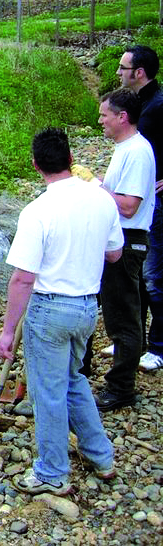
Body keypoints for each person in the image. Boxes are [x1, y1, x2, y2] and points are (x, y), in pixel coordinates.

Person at [0, 128, 122, 496]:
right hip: (86, 306)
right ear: (71, 160)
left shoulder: (38, 210)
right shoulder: (101, 200)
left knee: (48, 391)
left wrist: (7, 331)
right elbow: (114, 253)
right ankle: (101, 456)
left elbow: (22, 279)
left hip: (51, 308)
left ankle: (52, 472)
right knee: (72, 380)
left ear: (36, 165)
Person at [92, 89, 156, 411]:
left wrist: (99, 189)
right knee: (112, 309)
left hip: (128, 241)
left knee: (123, 318)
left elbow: (129, 206)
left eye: (105, 115)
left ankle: (121, 388)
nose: (100, 120)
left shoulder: (138, 152)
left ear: (122, 117)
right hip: (118, 237)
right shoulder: (125, 148)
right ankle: (88, 368)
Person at [118, 45, 163, 373]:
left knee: (154, 274)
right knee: (139, 274)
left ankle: (158, 345)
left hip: (153, 203)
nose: (119, 73)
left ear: (140, 72)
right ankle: (134, 339)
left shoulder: (157, 108)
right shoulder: (143, 105)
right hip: (144, 197)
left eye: (123, 67)